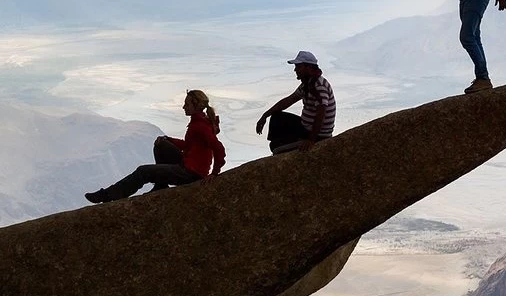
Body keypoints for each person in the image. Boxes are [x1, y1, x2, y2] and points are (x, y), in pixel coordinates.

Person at [85, 90, 225, 203]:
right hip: (189, 166)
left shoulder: (200, 126)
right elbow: (188, 145)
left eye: (187, 104)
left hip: (191, 173)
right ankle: (160, 185)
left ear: (195, 106)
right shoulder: (199, 122)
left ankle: (108, 195)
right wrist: (167, 139)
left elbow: (218, 148)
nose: (183, 107)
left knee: (143, 172)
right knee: (161, 145)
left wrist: (214, 173)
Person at [255, 51, 336, 153]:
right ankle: (284, 141)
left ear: (308, 68)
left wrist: (311, 140)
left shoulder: (319, 87)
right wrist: (265, 115)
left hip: (318, 135)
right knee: (277, 116)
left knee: (275, 148)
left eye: (298, 67)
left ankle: (283, 146)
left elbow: (321, 113)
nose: (295, 70)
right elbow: (288, 101)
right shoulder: (308, 84)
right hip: (305, 126)